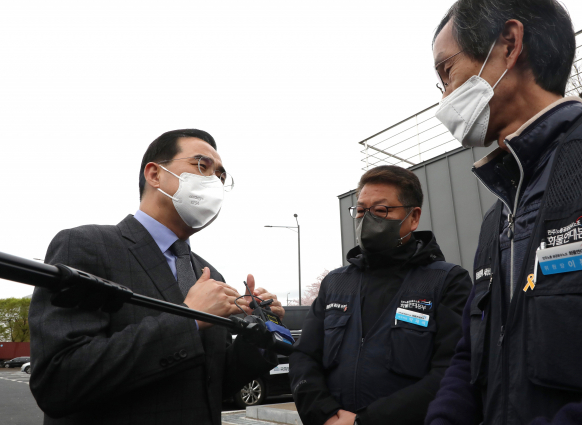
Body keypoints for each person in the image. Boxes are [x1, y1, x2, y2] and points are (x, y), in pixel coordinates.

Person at [425, 1, 582, 424]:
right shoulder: (497, 217)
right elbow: (472, 354)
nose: (445, 98)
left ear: (509, 43)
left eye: (446, 72)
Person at [29, 129, 284, 425]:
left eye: (221, 176)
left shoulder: (210, 274)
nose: (214, 181)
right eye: (202, 166)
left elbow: (211, 384)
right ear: (154, 174)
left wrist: (259, 335)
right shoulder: (87, 246)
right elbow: (58, 381)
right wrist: (189, 318)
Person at [289, 165, 472, 425]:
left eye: (380, 210)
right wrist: (326, 415)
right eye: (361, 210)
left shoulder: (447, 282)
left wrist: (365, 422)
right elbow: (304, 356)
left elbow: (452, 371)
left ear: (413, 216)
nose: (367, 219)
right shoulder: (335, 283)